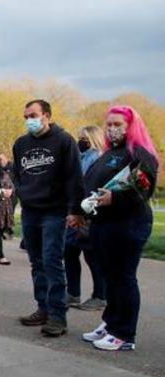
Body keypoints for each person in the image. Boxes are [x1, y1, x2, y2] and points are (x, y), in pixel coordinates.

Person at [79, 106, 159, 351]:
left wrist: (114, 198)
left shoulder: (140, 154)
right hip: (104, 223)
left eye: (118, 125)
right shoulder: (109, 153)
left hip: (128, 225)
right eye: (109, 124)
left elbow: (142, 190)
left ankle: (124, 333)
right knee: (110, 277)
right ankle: (111, 322)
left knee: (123, 277)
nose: (112, 129)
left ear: (130, 127)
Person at [11, 99, 84, 337]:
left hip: (55, 210)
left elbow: (74, 176)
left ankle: (57, 316)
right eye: (26, 117)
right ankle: (42, 307)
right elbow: (17, 173)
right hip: (30, 210)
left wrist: (75, 209)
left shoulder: (64, 141)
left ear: (47, 116)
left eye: (33, 115)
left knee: (52, 261)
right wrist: (22, 192)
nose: (29, 120)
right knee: (37, 262)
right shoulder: (21, 144)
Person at [65, 126, 106, 310]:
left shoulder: (97, 159)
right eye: (79, 137)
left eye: (84, 138)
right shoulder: (79, 157)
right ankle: (73, 293)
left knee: (92, 255)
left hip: (89, 213)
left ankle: (100, 295)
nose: (80, 141)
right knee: (69, 251)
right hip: (75, 210)